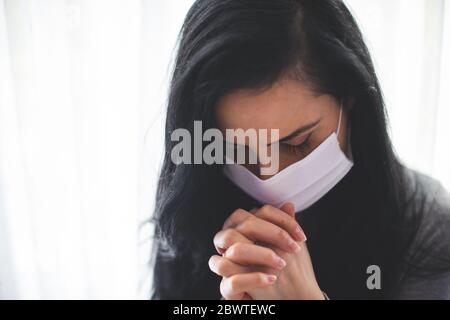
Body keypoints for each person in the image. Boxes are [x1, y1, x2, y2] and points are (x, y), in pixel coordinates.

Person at [151, 0, 450, 300]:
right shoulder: (192, 205)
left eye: (296, 143)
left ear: (351, 99)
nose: (269, 178)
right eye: (237, 151)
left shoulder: (428, 229)